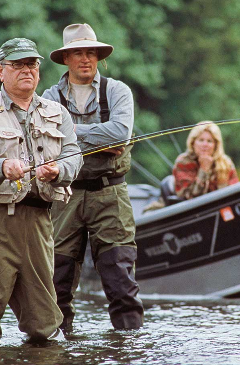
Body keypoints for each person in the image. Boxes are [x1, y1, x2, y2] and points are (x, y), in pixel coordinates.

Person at [0, 38, 82, 345]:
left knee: (46, 326)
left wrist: (58, 171)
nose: (27, 70)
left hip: (38, 221)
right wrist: (0, 168)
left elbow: (74, 155)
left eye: (32, 64)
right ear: (1, 71)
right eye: (18, 64)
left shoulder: (57, 112)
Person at [42, 23, 144, 333]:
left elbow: (119, 133)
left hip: (110, 195)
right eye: (78, 53)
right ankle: (57, 348)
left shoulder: (117, 91)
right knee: (57, 281)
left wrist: (69, 132)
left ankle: (129, 345)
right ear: (66, 59)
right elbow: (46, 140)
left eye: (91, 52)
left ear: (98, 57)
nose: (85, 59)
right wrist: (99, 141)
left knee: (120, 279)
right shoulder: (49, 96)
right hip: (64, 196)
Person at [173, 121, 240, 200]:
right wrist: (204, 170)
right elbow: (189, 197)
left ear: (215, 145)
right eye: (201, 140)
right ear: (193, 142)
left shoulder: (225, 163)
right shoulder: (183, 162)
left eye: (209, 141)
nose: (205, 145)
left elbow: (235, 193)